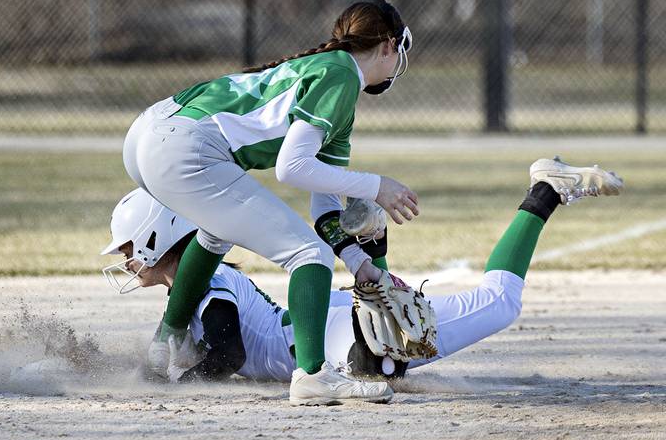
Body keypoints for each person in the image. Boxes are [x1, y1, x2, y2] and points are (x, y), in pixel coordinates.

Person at [102, 157, 624, 405]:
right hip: (315, 319)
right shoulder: (200, 283)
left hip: (314, 337)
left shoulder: (210, 287)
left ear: (156, 236)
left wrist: (178, 381)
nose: (125, 260)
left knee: (498, 302)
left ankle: (545, 190)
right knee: (375, 333)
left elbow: (227, 353)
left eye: (128, 248)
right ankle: (365, 247)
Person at [119, 0, 418, 404]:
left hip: (150, 132)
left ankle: (165, 344)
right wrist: (376, 186)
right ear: (387, 45)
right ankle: (313, 377)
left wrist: (360, 263)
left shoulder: (331, 79)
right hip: (182, 143)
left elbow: (325, 207)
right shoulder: (343, 76)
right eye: (398, 48)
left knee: (216, 232)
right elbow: (290, 168)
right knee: (309, 256)